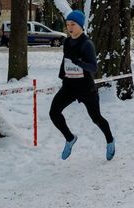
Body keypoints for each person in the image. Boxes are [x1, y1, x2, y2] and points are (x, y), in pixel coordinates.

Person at [49, 10, 115, 161]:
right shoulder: (66, 41)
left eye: (73, 24)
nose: (69, 27)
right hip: (69, 87)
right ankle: (70, 138)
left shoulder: (87, 44)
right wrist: (62, 74)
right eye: (67, 24)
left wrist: (78, 61)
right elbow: (66, 59)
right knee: (54, 113)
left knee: (96, 118)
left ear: (80, 26)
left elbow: (93, 68)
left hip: (86, 89)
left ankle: (110, 140)